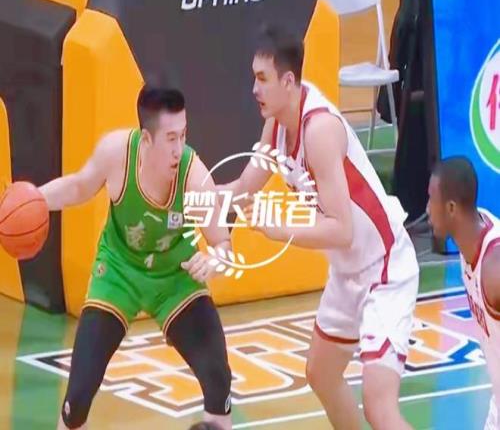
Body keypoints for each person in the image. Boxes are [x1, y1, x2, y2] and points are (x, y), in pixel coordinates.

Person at [220, 24, 419, 429]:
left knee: (379, 407)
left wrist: (278, 229)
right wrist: (189, 195)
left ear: (288, 81)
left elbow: (342, 230)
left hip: (384, 268)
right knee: (321, 373)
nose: (254, 89)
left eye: (262, 79)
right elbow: (243, 188)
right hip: (347, 271)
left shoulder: (319, 130)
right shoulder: (277, 125)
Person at [39, 86, 233, 430]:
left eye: (183, 135)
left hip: (175, 278)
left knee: (219, 379)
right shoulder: (116, 154)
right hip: (118, 274)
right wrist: (34, 200)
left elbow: (223, 245)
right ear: (146, 139)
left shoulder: (195, 177)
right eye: (170, 139)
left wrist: (213, 263)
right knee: (77, 398)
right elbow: (78, 187)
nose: (179, 149)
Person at [427, 156, 500, 430]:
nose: (427, 209)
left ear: (451, 208)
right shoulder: (471, 233)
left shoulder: (494, 269)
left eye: (431, 199)